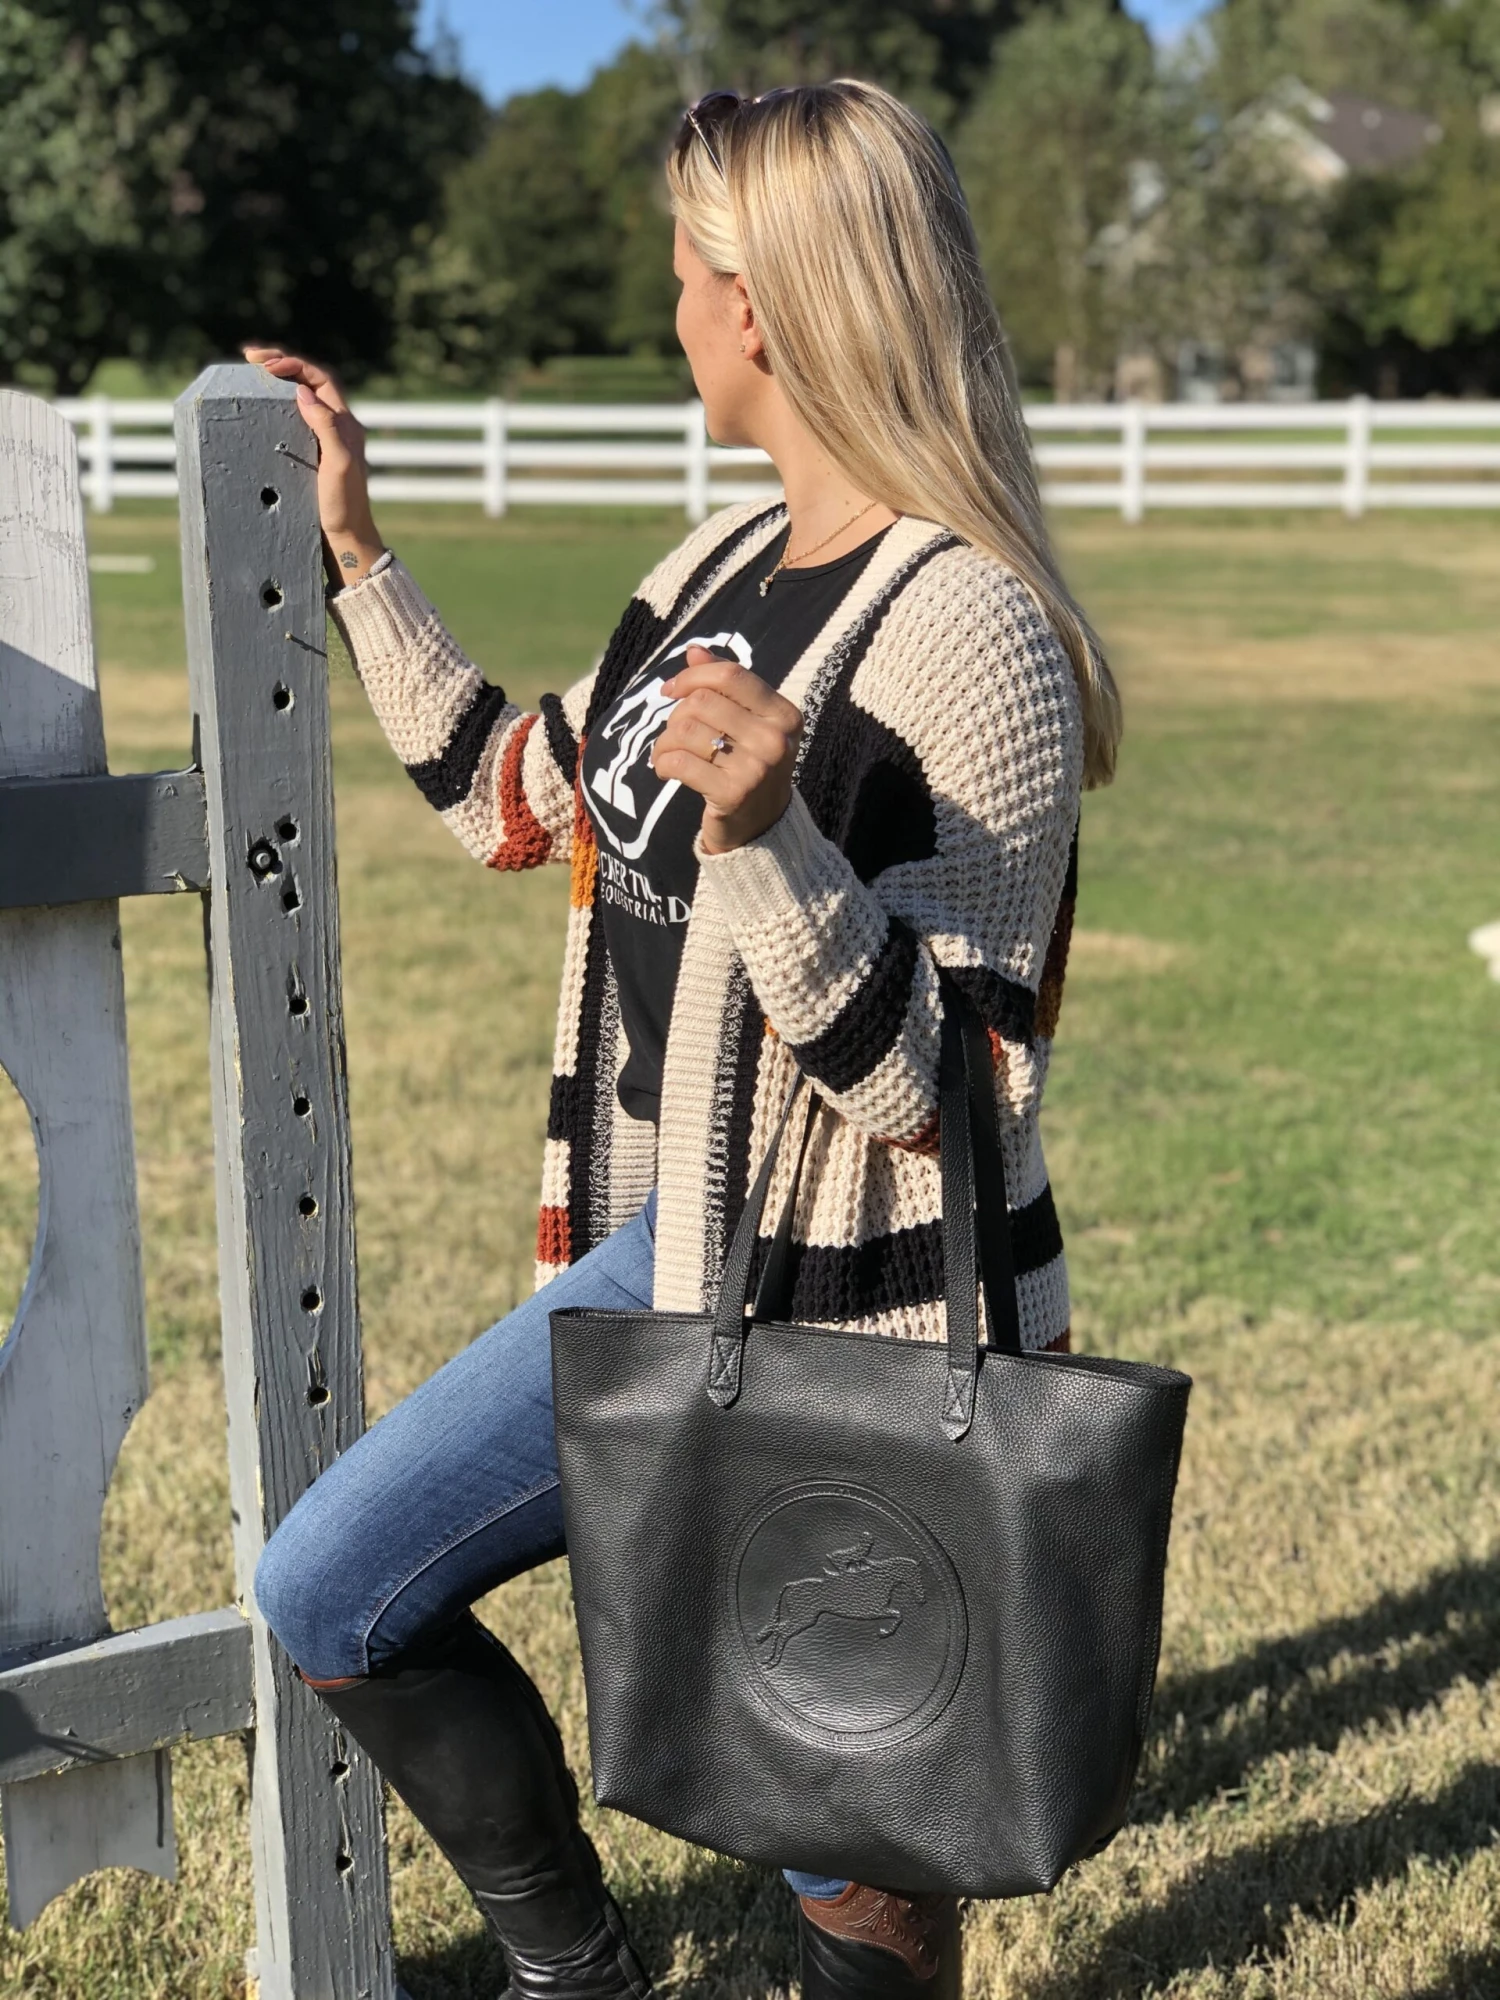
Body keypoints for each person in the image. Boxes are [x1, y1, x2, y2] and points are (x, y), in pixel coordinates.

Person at [248, 77, 1118, 2000]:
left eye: (681, 272)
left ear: (764, 306)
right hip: (664, 1266)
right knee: (332, 1588)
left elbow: (949, 1094)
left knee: (840, 1812)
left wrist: (773, 841)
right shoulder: (706, 576)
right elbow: (510, 798)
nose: (669, 313)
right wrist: (358, 552)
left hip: (857, 1320)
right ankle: (579, 1973)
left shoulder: (976, 638)